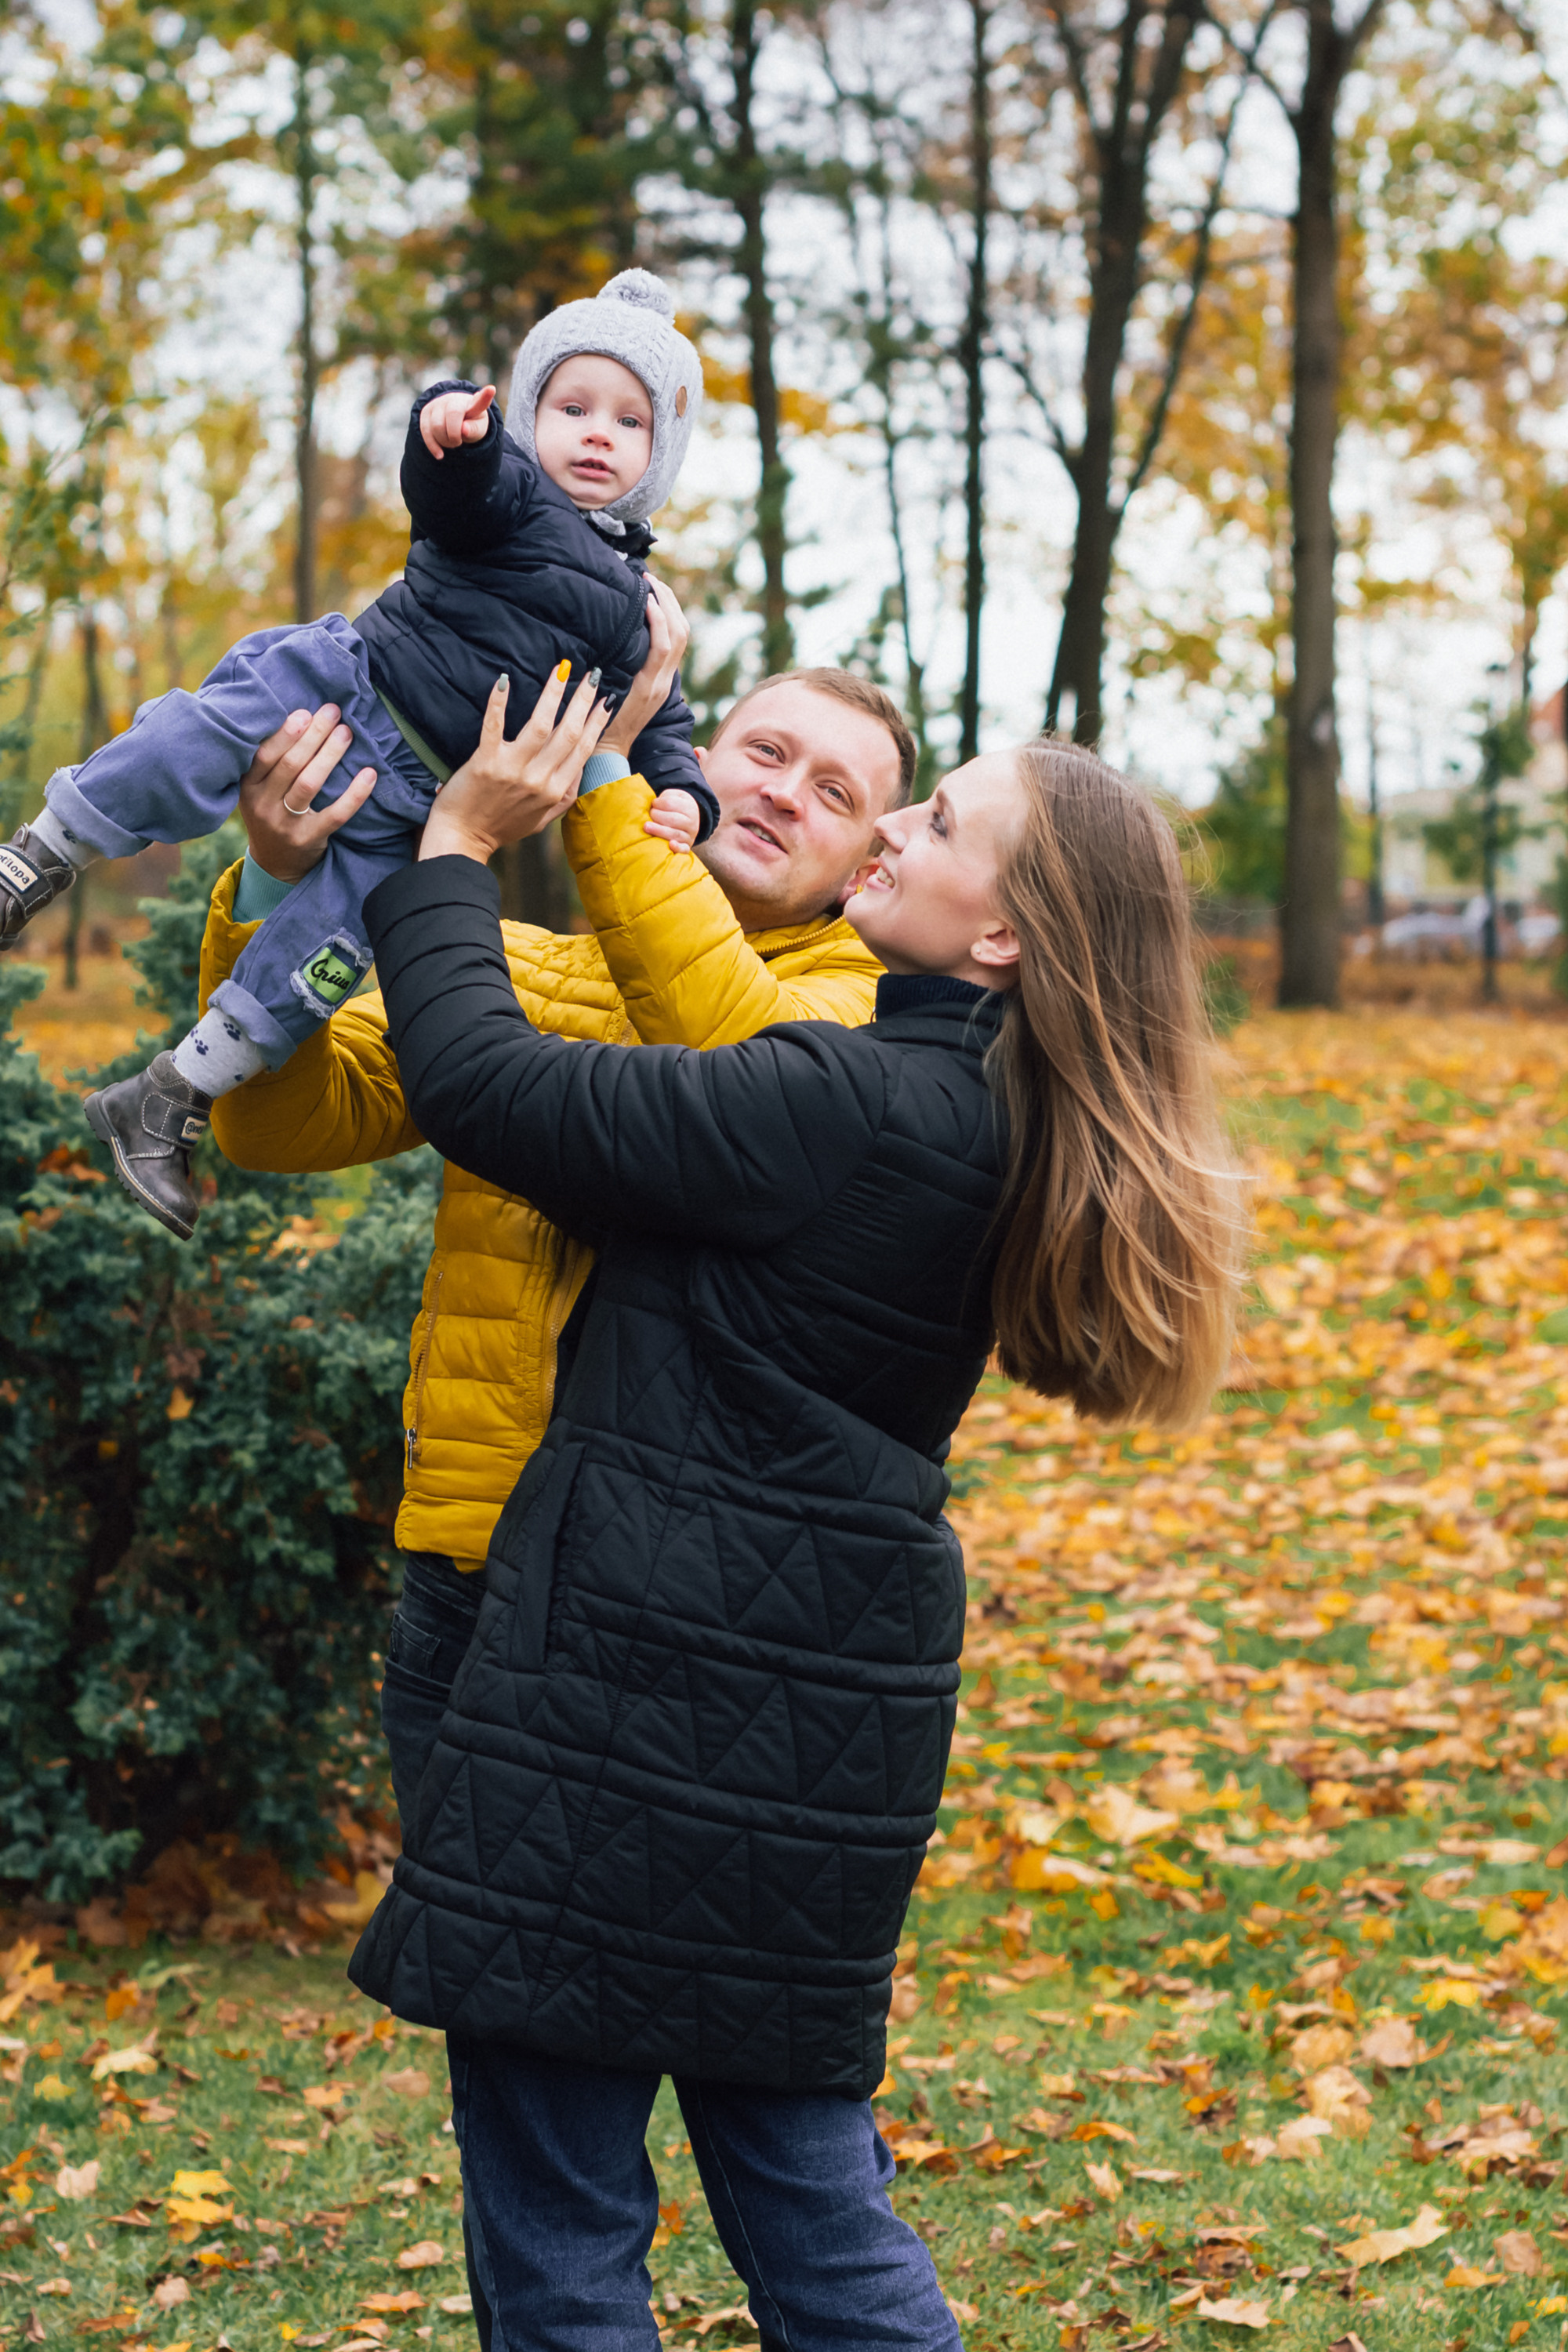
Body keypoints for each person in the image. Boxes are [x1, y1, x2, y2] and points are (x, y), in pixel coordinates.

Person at [347, 687, 1246, 2349]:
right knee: (809, 2206)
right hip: (807, 1729)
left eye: (936, 823)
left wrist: (456, 850)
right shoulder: (980, 1118)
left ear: (1001, 942)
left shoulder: (841, 1108)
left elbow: (481, 1084)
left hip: (627, 1710)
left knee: (563, 2228)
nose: (894, 830)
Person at [193, 627, 918, 1828]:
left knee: (638, 1995)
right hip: (469, 1563)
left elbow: (729, 1046)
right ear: (702, 762)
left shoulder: (859, 1016)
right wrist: (274, 884)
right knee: (468, 1983)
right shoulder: (519, 972)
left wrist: (599, 784)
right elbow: (277, 1126)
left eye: (834, 793)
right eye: (766, 752)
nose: (785, 793)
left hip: (688, 1592)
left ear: (860, 866)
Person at [2, 270, 713, 1240]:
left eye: (629, 423)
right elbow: (452, 486)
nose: (597, 432)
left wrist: (689, 802)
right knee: (194, 737)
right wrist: (445, 430)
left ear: (657, 456)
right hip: (347, 683)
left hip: (422, 809)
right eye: (573, 405)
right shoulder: (509, 497)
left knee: (326, 962)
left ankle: (167, 1101)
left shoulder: (645, 617)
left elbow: (661, 726)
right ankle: (38, 856)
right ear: (528, 414)